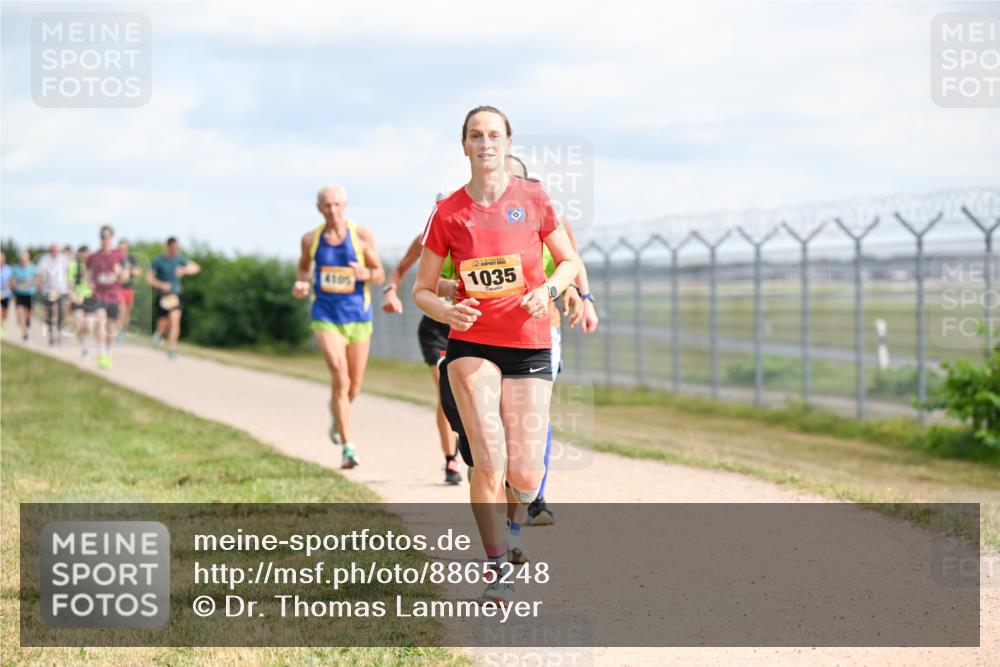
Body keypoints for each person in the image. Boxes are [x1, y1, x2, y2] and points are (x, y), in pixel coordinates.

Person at [412, 106, 582, 603]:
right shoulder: (448, 212)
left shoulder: (533, 198)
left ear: (507, 144)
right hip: (472, 345)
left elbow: (569, 261)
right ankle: (495, 567)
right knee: (489, 459)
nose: (485, 143)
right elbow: (422, 288)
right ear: (463, 146)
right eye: (475, 135)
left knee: (525, 473)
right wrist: (447, 312)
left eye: (493, 135)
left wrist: (549, 289)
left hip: (528, 341)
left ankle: (515, 529)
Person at [293, 185, 385, 469]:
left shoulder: (361, 235)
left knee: (353, 385)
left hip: (358, 316)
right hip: (326, 314)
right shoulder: (311, 239)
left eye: (336, 204)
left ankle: (336, 413)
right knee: (340, 375)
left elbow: (380, 274)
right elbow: (303, 268)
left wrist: (366, 273)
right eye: (326, 205)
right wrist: (301, 283)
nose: (332, 210)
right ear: (319, 208)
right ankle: (348, 448)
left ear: (345, 205)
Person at [382, 193, 464, 485]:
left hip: (468, 327)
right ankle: (451, 460)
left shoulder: (479, 234)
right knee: (446, 390)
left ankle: (474, 449)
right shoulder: (425, 238)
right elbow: (399, 271)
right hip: (435, 329)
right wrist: (390, 292)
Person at [148, 237, 201, 360]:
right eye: (173, 248)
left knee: (175, 319)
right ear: (168, 246)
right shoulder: (158, 261)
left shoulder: (180, 259)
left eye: (177, 248)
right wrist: (161, 285)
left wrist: (184, 270)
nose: (175, 250)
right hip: (162, 296)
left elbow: (196, 268)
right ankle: (159, 334)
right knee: (163, 322)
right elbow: (149, 278)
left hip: (176, 295)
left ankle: (171, 349)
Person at [86, 225, 126, 369]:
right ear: (100, 237)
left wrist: (119, 273)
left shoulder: (119, 255)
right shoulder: (94, 256)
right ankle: (102, 351)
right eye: (103, 236)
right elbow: (88, 274)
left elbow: (124, 277)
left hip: (114, 296)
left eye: (108, 236)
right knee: (100, 318)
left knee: (111, 327)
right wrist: (88, 284)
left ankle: (108, 351)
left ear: (112, 237)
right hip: (99, 295)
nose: (105, 239)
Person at [35, 243, 71, 346]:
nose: (54, 253)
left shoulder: (64, 259)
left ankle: (59, 333)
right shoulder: (44, 259)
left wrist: (69, 288)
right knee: (49, 313)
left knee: (61, 311)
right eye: (53, 251)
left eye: (56, 251)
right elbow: (39, 275)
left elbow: (69, 273)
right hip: (48, 291)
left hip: (61, 290)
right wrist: (41, 288)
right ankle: (51, 334)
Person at [68, 246, 98, 358]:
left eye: (87, 254)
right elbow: (70, 283)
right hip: (77, 298)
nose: (85, 256)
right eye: (83, 254)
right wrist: (73, 295)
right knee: (79, 324)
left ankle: (86, 341)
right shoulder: (73, 266)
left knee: (89, 326)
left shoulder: (94, 267)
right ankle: (84, 348)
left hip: (90, 298)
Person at [9, 250, 37, 342]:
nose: (23, 261)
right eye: (22, 259)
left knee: (28, 313)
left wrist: (29, 282)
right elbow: (13, 279)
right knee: (20, 312)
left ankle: (27, 324)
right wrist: (13, 283)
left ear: (28, 259)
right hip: (19, 293)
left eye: (25, 259)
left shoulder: (33, 267)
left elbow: (36, 278)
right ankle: (24, 331)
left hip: (30, 293)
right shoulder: (16, 268)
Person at [117, 239, 142, 339]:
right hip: (118, 288)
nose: (122, 250)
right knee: (121, 309)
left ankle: (122, 331)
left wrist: (129, 271)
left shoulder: (131, 258)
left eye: (124, 248)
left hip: (129, 289)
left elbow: (138, 272)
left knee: (127, 312)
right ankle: (118, 331)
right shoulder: (116, 258)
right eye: (120, 248)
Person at [1, 251, 12, 336]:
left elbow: (12, 281)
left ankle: (3, 324)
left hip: (6, 293)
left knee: (5, 311)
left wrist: (9, 285)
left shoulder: (9, 269)